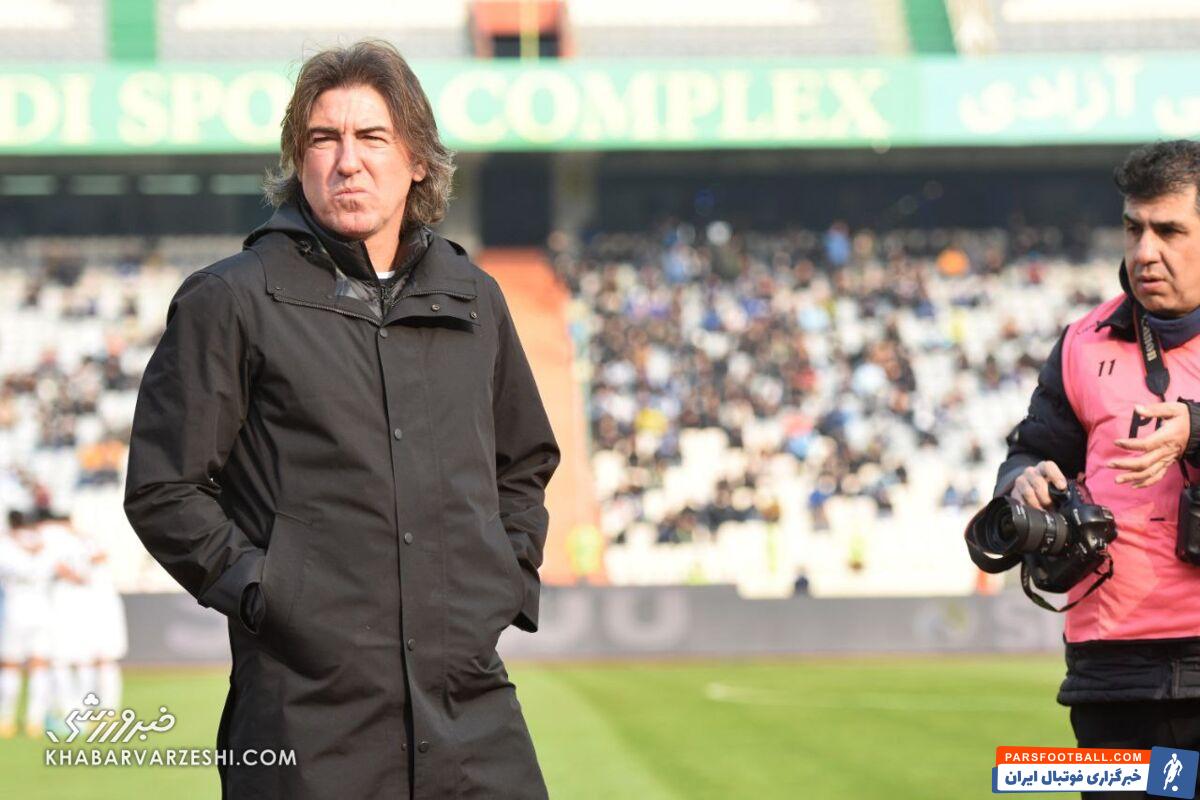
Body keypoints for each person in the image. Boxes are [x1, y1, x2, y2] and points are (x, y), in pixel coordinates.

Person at [124, 40, 560, 799]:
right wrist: (267, 592)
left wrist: (505, 577)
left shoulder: (475, 299)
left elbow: (523, 462)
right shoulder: (231, 298)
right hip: (305, 716)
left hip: (470, 709)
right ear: (299, 161)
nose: (347, 161)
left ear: (417, 159)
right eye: (323, 139)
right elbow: (164, 489)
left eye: (372, 137)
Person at [996, 140, 1200, 799]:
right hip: (1111, 671)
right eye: (1133, 229)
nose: (1145, 251)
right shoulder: (1081, 343)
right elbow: (1031, 450)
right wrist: (1024, 482)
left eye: (1169, 231)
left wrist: (1195, 429)